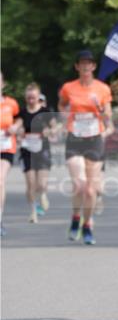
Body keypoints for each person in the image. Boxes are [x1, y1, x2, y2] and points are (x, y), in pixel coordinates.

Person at [58, 49, 113, 245]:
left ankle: (87, 224)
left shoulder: (102, 89)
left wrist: (100, 108)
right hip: (75, 138)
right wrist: (65, 115)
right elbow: (62, 105)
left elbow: (107, 116)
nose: (85, 66)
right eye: (82, 63)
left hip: (94, 139)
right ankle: (75, 218)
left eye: (89, 63)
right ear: (77, 66)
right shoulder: (68, 87)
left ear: (93, 66)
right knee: (79, 186)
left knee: (90, 190)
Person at [19, 82, 56, 222]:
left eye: (33, 97)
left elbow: (56, 126)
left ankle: (43, 194)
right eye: (28, 98)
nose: (31, 100)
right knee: (30, 183)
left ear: (38, 97)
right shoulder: (22, 113)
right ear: (25, 98)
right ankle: (33, 212)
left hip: (43, 150)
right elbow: (16, 126)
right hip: (27, 150)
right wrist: (18, 131)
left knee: (41, 183)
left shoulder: (45, 112)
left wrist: (50, 131)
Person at [0, 72, 22, 235]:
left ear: (3, 84)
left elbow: (19, 119)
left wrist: (15, 127)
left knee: (0, 181)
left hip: (6, 147)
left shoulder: (11, 103)